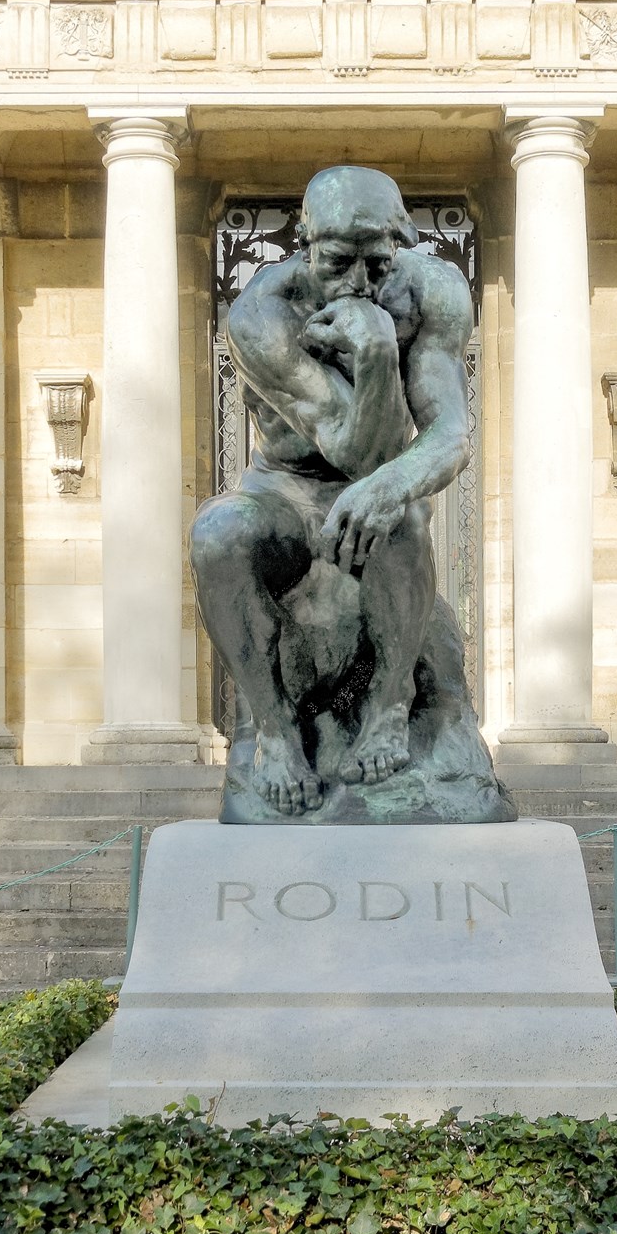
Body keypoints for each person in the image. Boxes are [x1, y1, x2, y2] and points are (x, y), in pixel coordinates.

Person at [190, 166, 495, 818]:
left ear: (404, 244)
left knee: (399, 503)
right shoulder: (262, 315)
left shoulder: (434, 293)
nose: (358, 284)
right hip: (286, 494)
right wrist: (380, 354)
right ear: (305, 244)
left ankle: (388, 709)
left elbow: (447, 435)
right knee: (217, 534)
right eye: (337, 263)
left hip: (373, 490)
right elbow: (351, 445)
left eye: (377, 265)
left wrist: (392, 470)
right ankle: (273, 735)